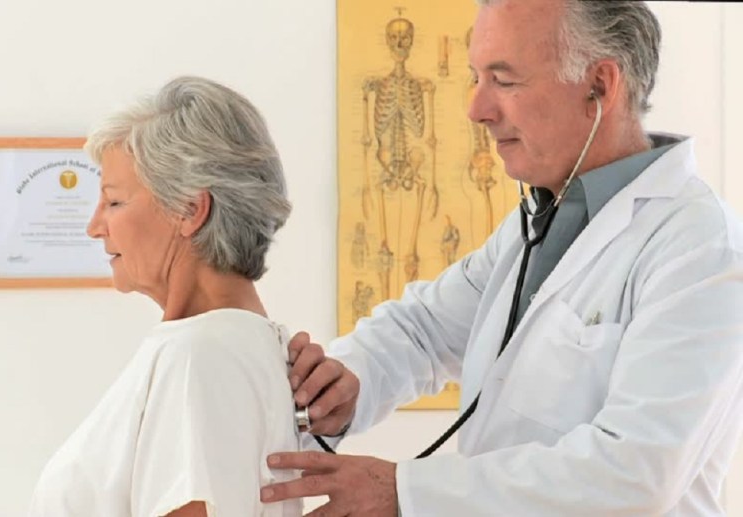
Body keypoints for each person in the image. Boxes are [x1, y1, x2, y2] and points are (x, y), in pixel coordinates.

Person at [261, 0, 743, 515]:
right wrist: (349, 379)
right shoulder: (540, 222)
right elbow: (424, 329)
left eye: (504, 80)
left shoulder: (699, 247)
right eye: (476, 78)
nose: (477, 109)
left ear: (600, 86)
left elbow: (637, 472)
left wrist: (406, 491)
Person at [29, 76, 302, 516]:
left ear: (190, 210)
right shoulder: (241, 344)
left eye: (114, 202)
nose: (94, 227)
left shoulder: (199, 355)